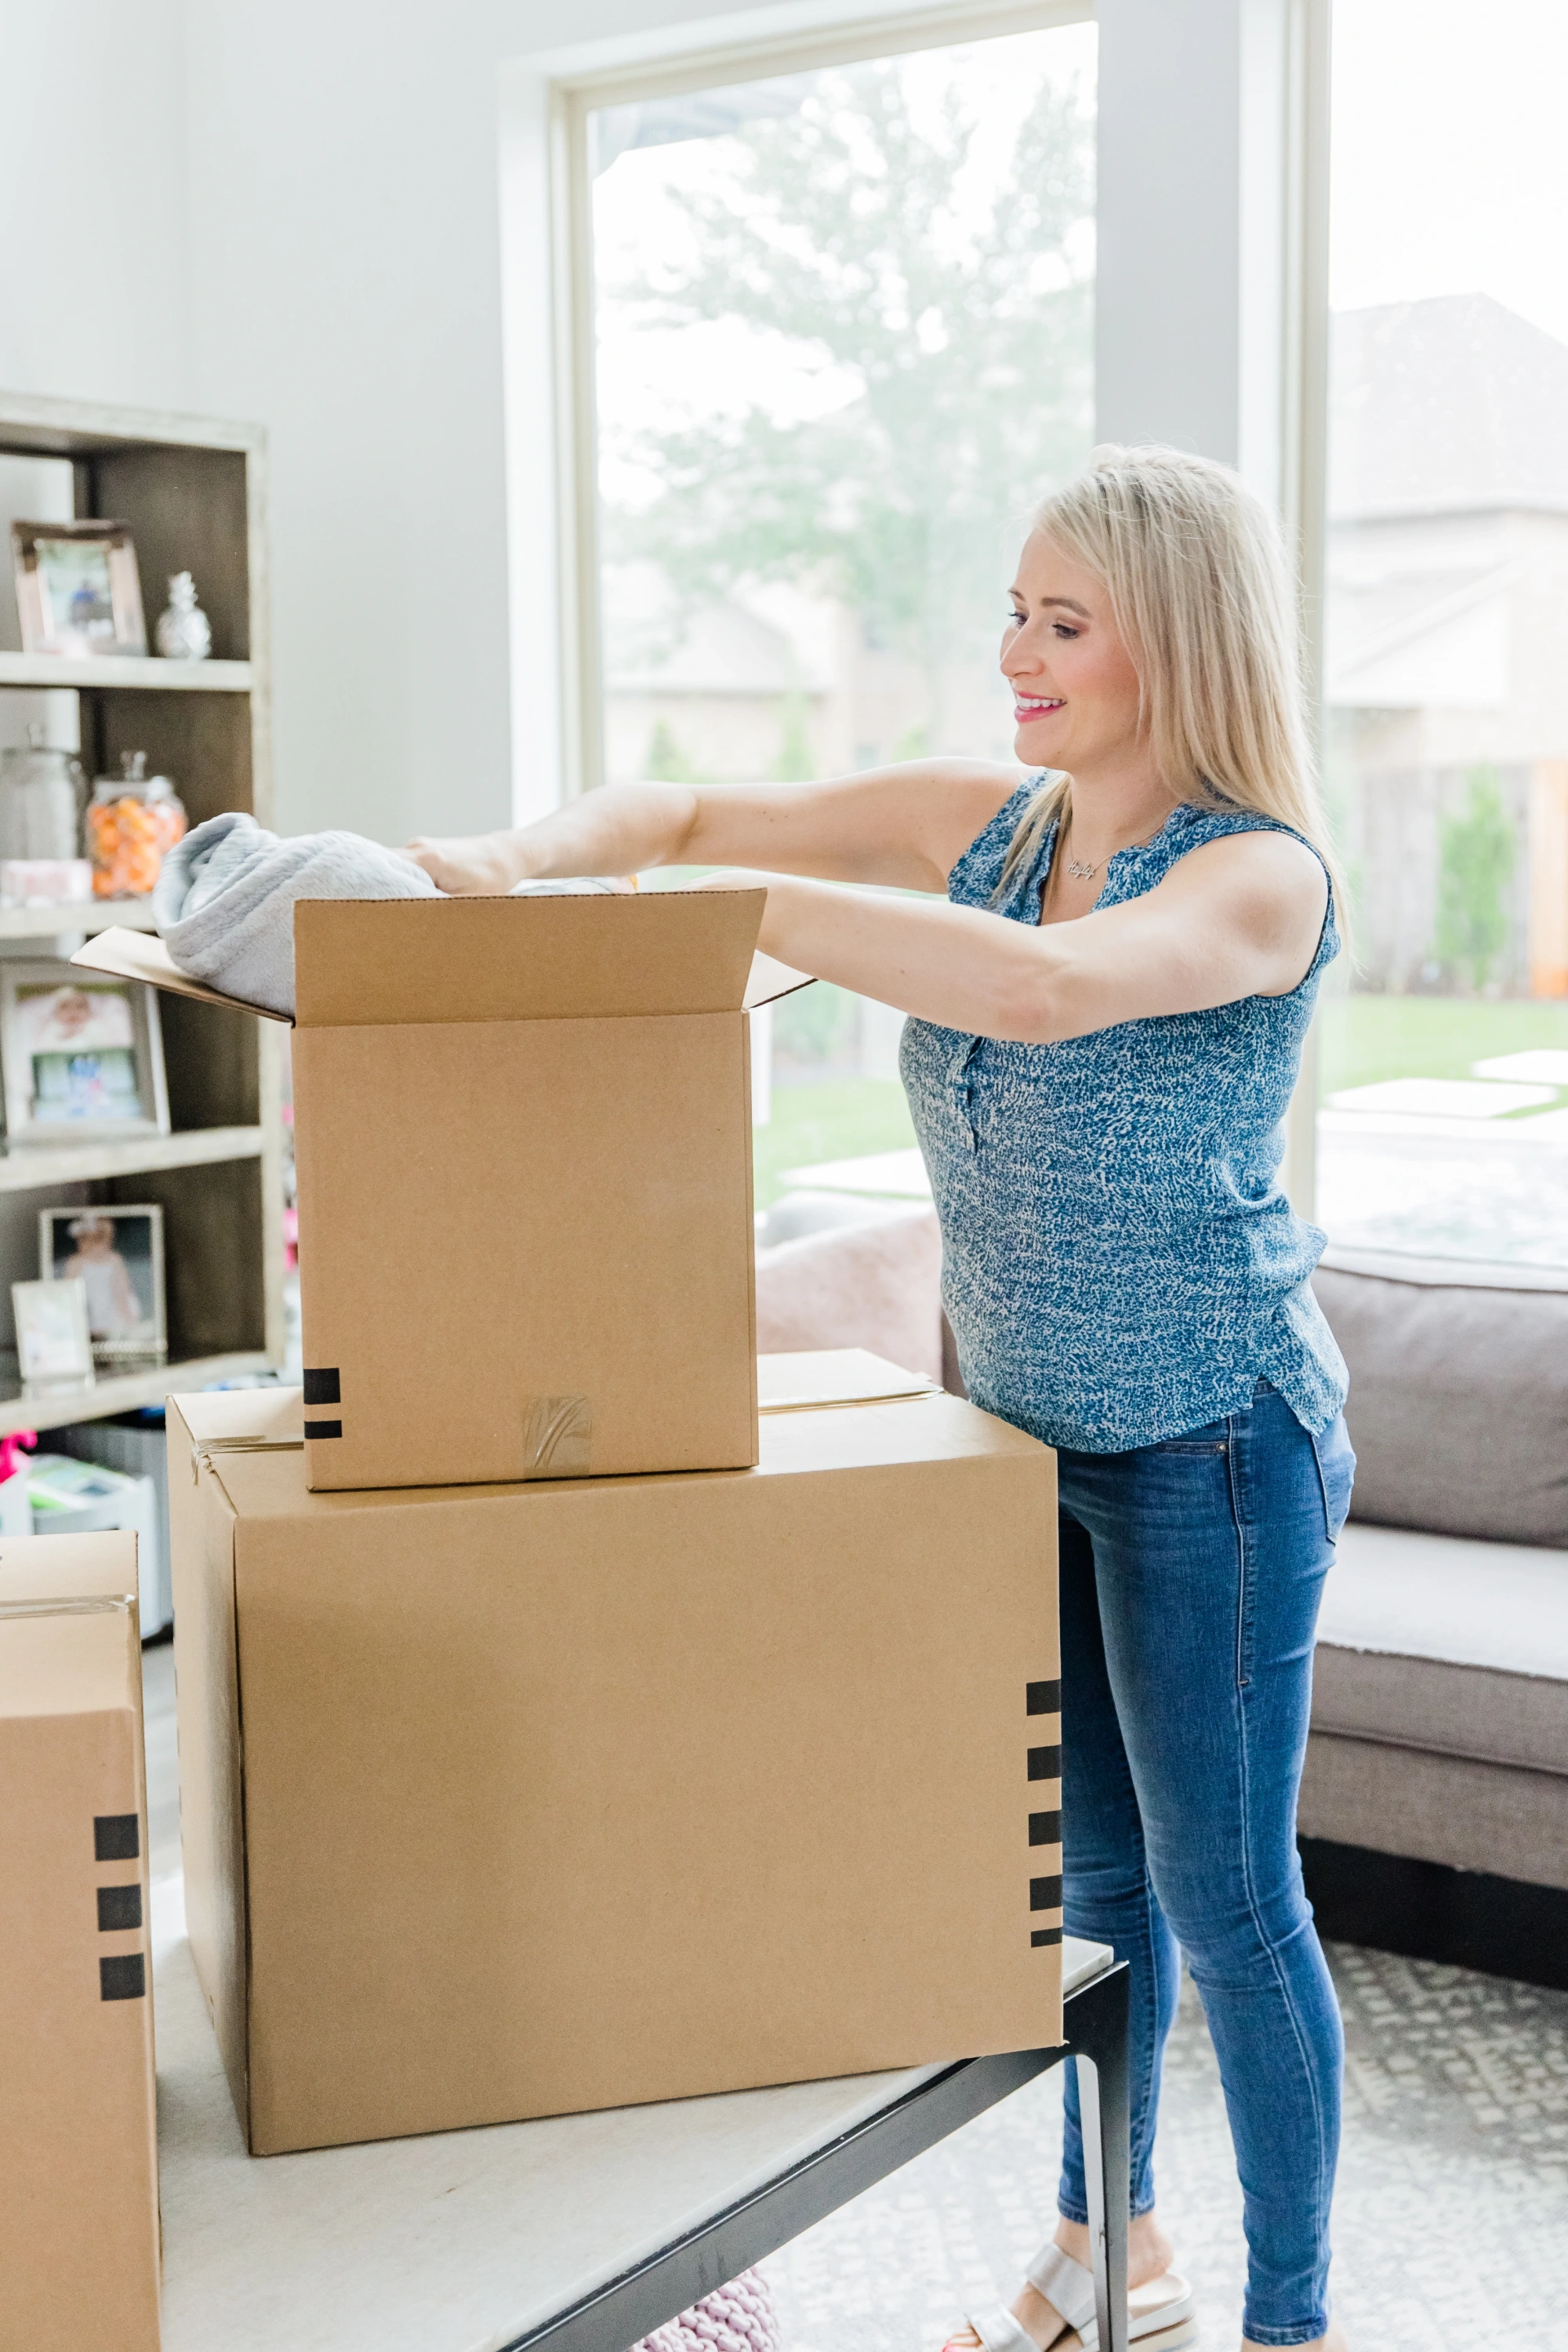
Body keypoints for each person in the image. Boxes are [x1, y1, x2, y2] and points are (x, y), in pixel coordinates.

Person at [406, 444, 1356, 2352]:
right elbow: (674, 796)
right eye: (1012, 605)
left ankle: (1291, 2321)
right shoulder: (995, 821)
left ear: (1172, 642)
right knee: (1092, 1877)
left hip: (1214, 1443)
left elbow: (1035, 995)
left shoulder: (1260, 877)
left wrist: (739, 904)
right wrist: (525, 860)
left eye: (1062, 621)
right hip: (1036, 1436)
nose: (1015, 648)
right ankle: (1112, 2257)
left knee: (1228, 1900)